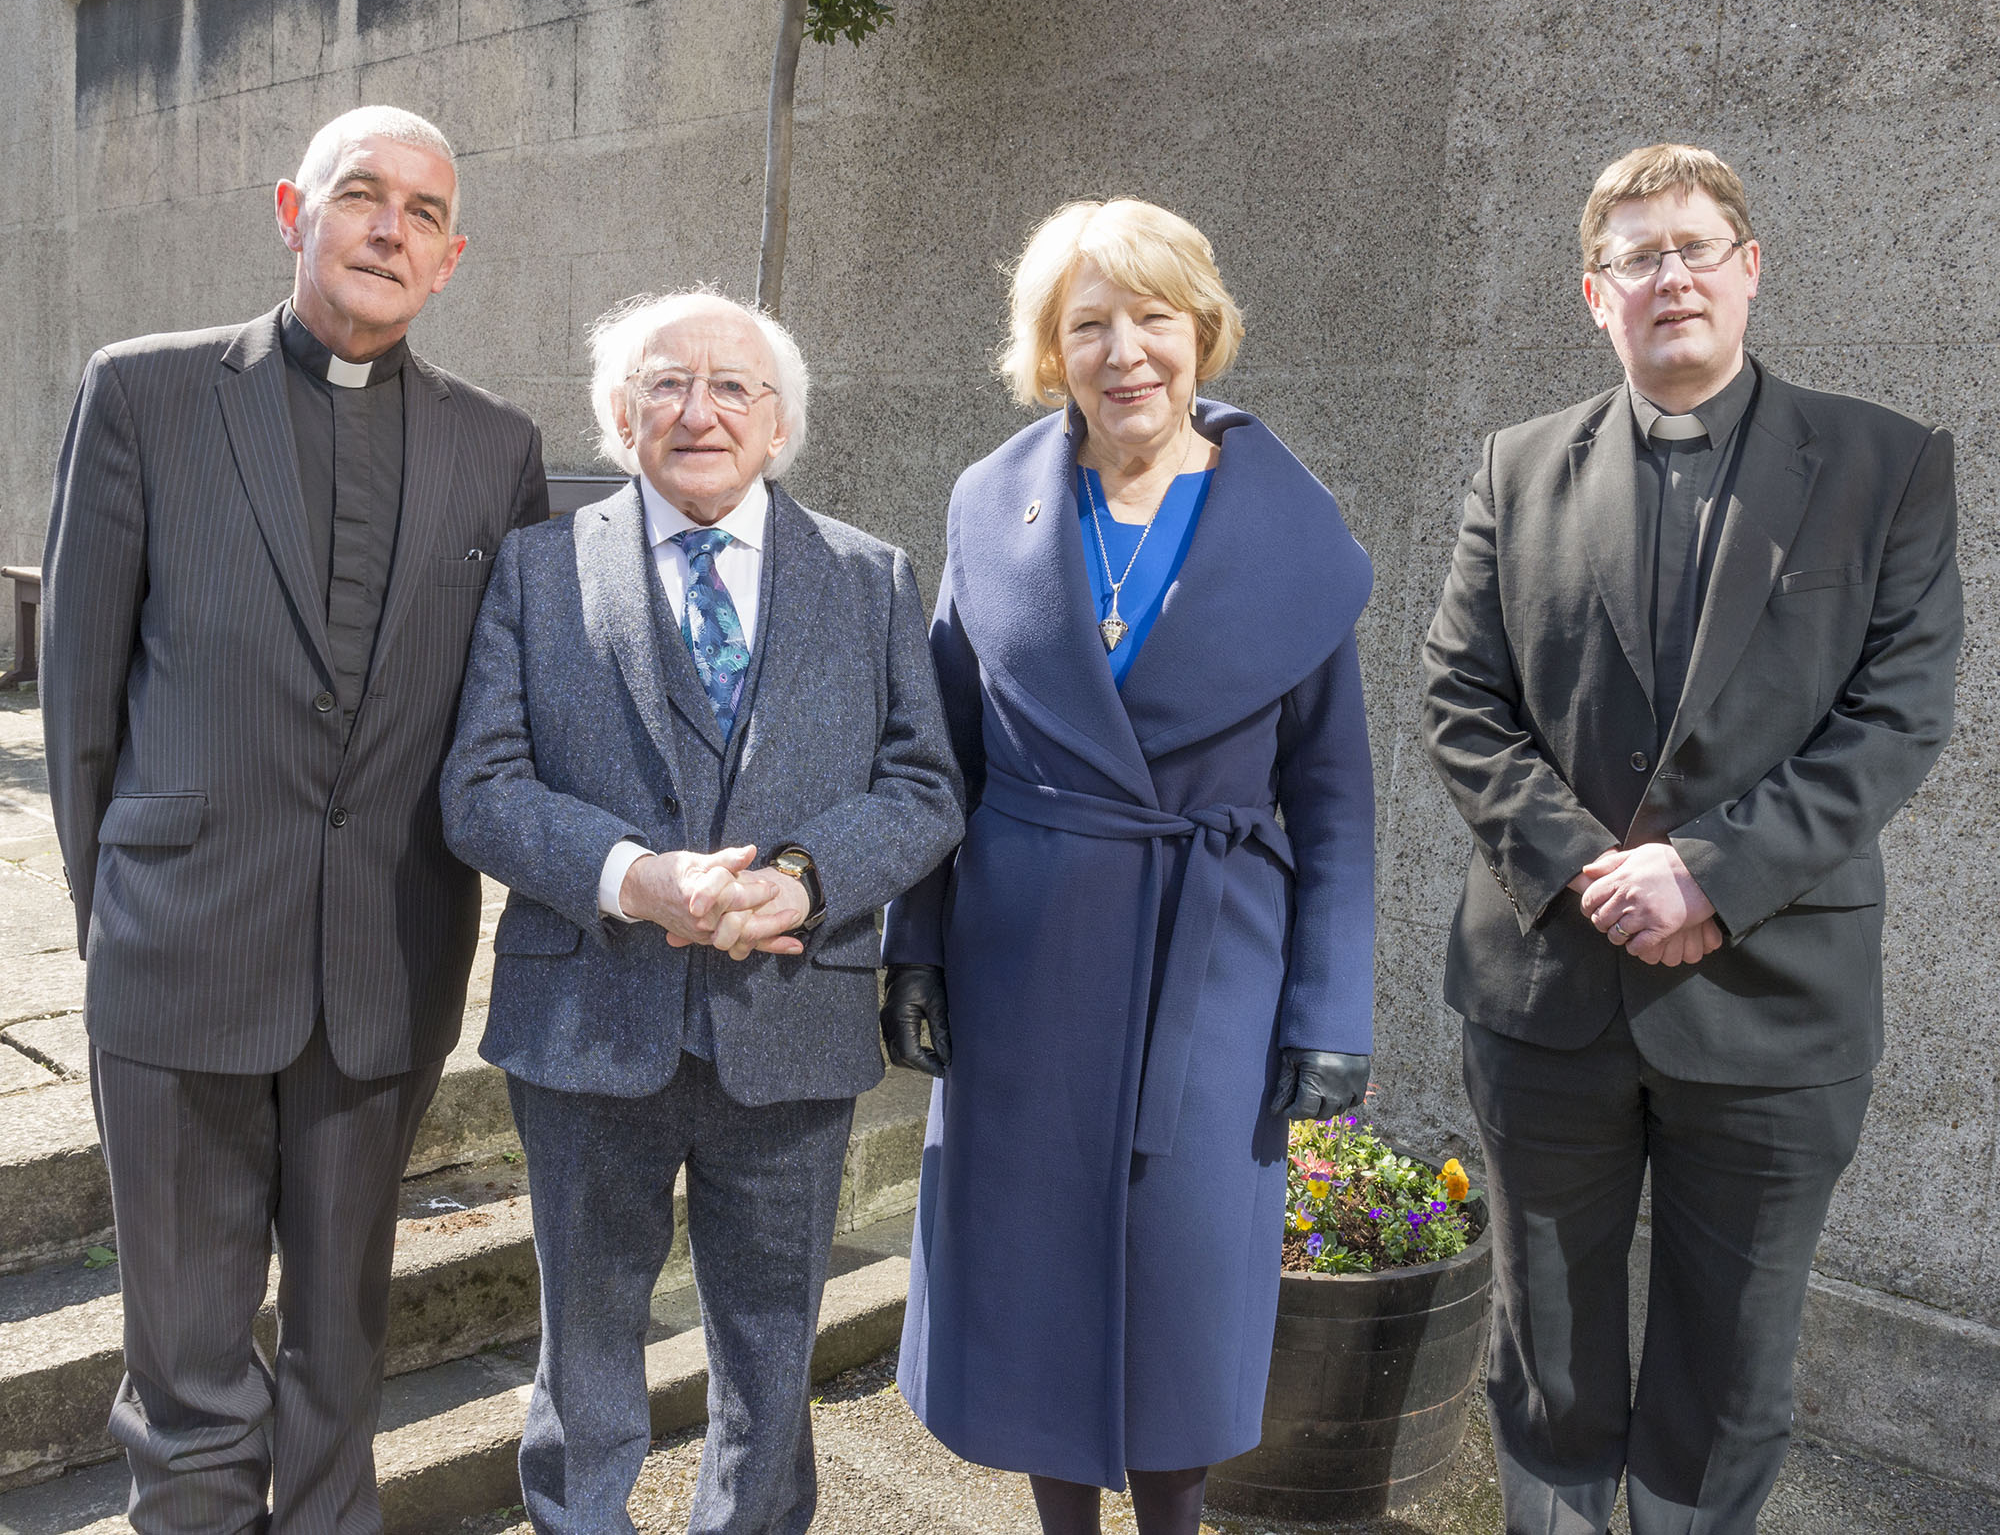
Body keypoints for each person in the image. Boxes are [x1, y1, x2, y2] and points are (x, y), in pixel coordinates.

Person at [1420, 143, 1962, 1535]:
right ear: (1593, 296)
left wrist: (1707, 872)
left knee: (1728, 1371)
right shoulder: (1517, 466)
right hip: (1550, 999)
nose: (1671, 277)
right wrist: (1595, 875)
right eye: (1638, 257)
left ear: (1750, 270)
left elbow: (1895, 718)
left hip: (1774, 1008)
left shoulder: (1887, 466)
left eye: (1696, 247)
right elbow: (1462, 700)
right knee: (1547, 1352)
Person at [40, 105, 548, 1532]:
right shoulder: (143, 393)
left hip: (385, 961)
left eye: (425, 213)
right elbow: (79, 696)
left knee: (343, 1352)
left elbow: (501, 717)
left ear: (452, 258)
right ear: (293, 209)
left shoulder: (497, 448)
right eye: (363, 196)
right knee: (189, 1361)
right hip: (180, 950)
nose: (392, 228)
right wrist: (123, 918)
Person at [878, 198, 1377, 1535]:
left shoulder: (1293, 528)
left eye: (1152, 316)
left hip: (1209, 968)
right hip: (1024, 959)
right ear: (1049, 349)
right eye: (1087, 323)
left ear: (1201, 329)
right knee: (1037, 1281)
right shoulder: (993, 503)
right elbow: (946, 752)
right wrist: (913, 944)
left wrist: (1330, 1011)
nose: (1125, 350)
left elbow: (1333, 796)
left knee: (1183, 1280)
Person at [439, 288, 963, 1535]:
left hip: (790, 1018)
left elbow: (924, 787)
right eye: (665, 385)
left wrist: (806, 878)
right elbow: (481, 787)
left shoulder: (868, 575)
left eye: (734, 387)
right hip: (585, 1018)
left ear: (779, 424)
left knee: (773, 1351)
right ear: (620, 418)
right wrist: (634, 876)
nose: (699, 410)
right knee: (586, 1351)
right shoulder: (536, 567)